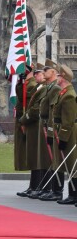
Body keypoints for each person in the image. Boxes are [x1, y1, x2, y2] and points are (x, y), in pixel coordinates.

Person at [19, 63, 47, 197]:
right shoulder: (37, 87)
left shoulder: (44, 88)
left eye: (39, 73)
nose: (36, 75)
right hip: (33, 126)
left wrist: (23, 119)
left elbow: (36, 110)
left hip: (37, 126)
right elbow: (22, 97)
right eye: (34, 73)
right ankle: (33, 185)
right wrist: (20, 81)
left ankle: (38, 186)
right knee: (33, 157)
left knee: (38, 158)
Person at [38, 59, 64, 201]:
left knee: (56, 159)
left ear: (53, 72)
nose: (43, 73)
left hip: (52, 126)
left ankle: (57, 190)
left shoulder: (55, 89)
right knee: (53, 159)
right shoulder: (49, 87)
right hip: (46, 125)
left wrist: (49, 129)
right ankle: (53, 189)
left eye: (46, 70)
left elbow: (52, 111)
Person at [53, 65, 77, 205]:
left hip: (70, 134)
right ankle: (72, 194)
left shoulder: (69, 96)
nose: (56, 78)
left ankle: (74, 194)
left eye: (58, 76)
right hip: (63, 131)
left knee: (72, 164)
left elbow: (68, 121)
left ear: (63, 78)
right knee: (69, 164)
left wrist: (63, 138)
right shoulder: (63, 93)